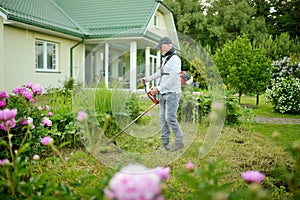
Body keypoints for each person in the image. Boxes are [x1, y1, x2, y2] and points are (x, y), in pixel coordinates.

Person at [142, 37, 184, 151]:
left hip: (172, 93)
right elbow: (160, 73)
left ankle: (179, 141)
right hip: (163, 93)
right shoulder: (165, 58)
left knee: (170, 117)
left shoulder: (175, 59)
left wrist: (159, 88)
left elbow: (173, 77)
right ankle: (165, 144)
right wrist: (148, 79)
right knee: (162, 119)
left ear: (169, 45)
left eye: (161, 46)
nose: (160, 49)